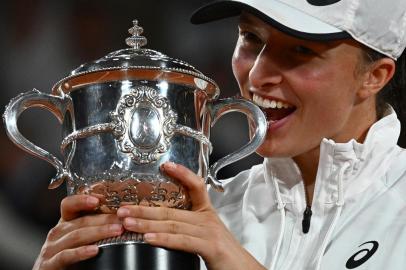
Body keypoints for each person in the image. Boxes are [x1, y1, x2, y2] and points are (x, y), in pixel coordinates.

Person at [33, 0, 406, 269]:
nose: (258, 75)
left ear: (374, 76)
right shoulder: (201, 218)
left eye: (299, 50)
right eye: (251, 38)